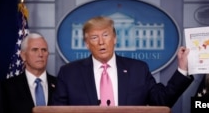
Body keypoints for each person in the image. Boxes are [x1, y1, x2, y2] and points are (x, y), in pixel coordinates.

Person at [51, 16, 194, 107]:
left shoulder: (138, 69)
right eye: (94, 37)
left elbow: (162, 101)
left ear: (115, 39)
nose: (101, 42)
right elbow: (56, 111)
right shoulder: (69, 73)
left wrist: (182, 69)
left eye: (106, 35)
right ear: (87, 44)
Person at [1, 33, 57, 113]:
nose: (40, 54)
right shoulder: (7, 87)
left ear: (47, 54)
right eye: (35, 50)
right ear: (23, 55)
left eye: (44, 50)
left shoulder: (60, 85)